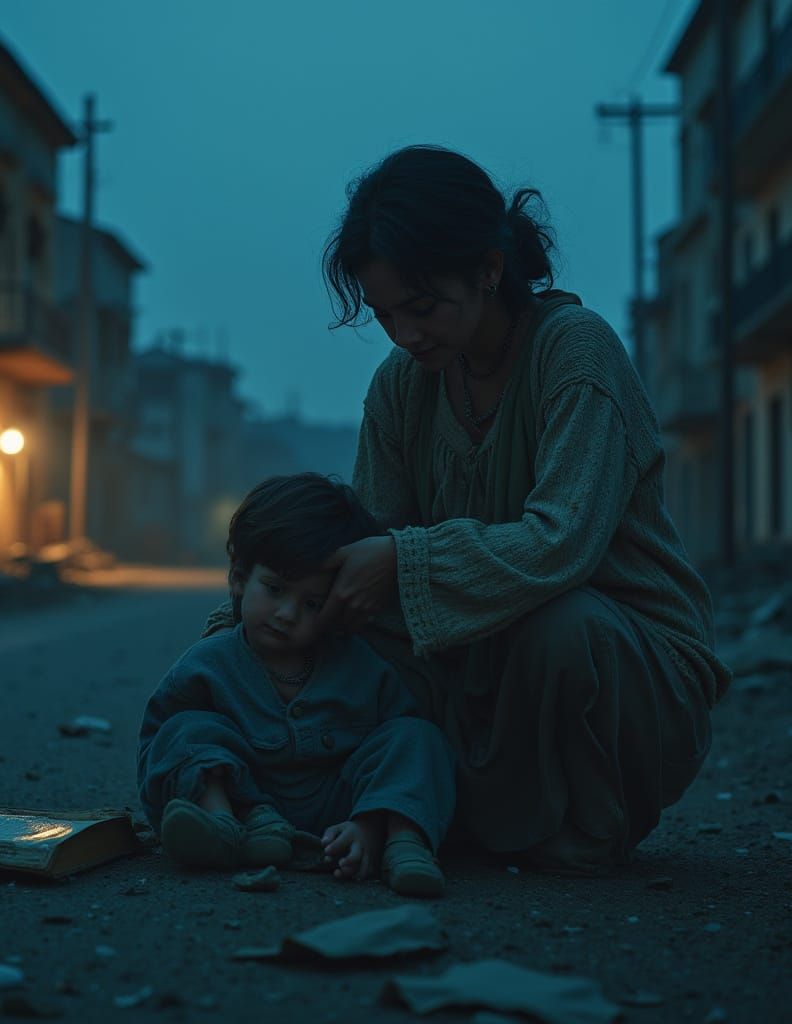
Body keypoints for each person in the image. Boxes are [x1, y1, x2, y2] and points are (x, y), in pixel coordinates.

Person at [208, 145, 732, 875]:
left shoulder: (576, 356)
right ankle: (259, 799)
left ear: (490, 269)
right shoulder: (403, 385)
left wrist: (404, 559)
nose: (405, 334)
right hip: (479, 672)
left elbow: (562, 545)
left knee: (562, 624)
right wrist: (259, 615)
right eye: (386, 315)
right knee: (321, 635)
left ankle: (586, 830)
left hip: (621, 674)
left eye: (423, 308)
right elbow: (367, 544)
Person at [137, 473, 456, 896]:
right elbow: (159, 741)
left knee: (417, 738)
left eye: (312, 603)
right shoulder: (209, 661)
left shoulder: (358, 662)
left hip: (338, 803)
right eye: (274, 589)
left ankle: (397, 843)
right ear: (238, 579)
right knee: (186, 730)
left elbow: (398, 743)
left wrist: (367, 820)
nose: (287, 614)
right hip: (246, 799)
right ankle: (222, 827)